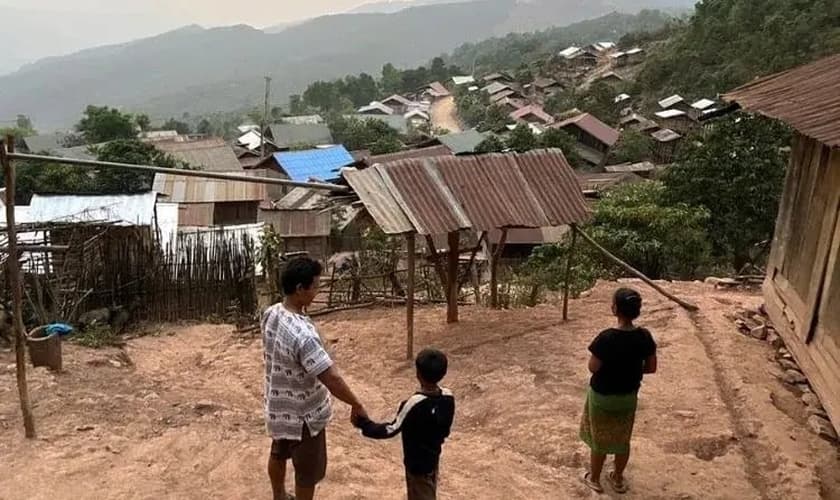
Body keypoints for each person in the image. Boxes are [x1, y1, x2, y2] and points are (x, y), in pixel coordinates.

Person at [262, 257, 368, 500]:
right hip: (305, 414)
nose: (317, 291)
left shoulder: (272, 313)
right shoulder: (304, 335)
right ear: (300, 289)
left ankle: (279, 495)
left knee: (278, 452)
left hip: (279, 405)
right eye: (315, 286)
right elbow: (331, 378)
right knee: (307, 472)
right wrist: (356, 403)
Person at [580, 287, 657, 494]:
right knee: (623, 440)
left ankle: (595, 479)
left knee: (599, 440)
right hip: (627, 397)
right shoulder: (644, 337)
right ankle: (618, 478)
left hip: (602, 398)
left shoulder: (606, 338)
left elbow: (592, 367)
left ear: (615, 309)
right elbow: (651, 368)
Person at [352, 348, 455, 500]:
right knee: (428, 489)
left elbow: (391, 429)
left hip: (416, 464)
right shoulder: (448, 397)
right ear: (443, 372)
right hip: (433, 456)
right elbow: (445, 430)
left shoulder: (414, 403)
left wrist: (363, 424)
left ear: (418, 374)